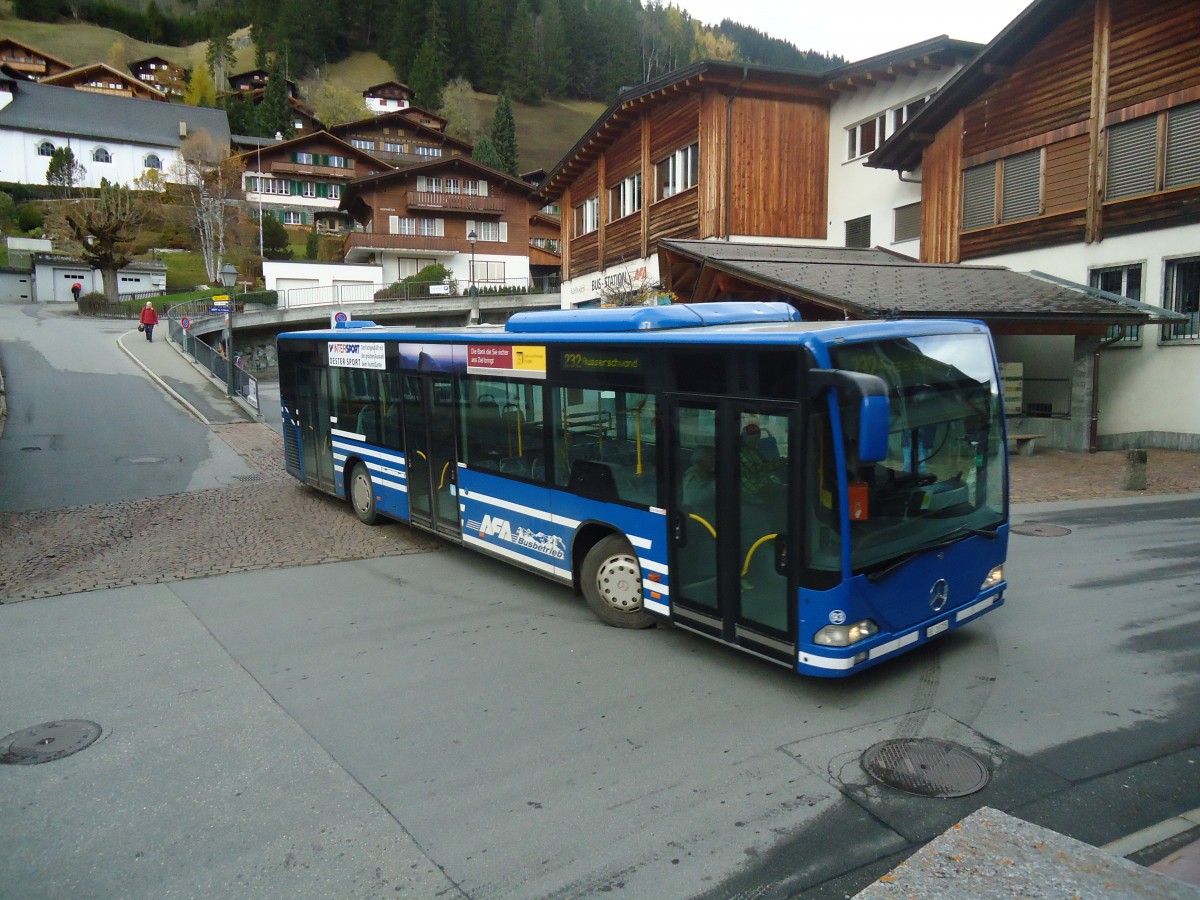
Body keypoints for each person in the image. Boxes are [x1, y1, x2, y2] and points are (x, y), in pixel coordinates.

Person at [739, 423, 786, 497]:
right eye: (754, 439)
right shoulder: (742, 452)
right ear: (744, 437)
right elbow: (759, 469)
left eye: (758, 438)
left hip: (761, 481)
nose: (757, 441)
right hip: (754, 486)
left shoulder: (753, 450)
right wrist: (779, 463)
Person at [683, 445, 717, 513]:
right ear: (702, 461)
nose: (714, 460)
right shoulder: (691, 476)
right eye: (711, 457)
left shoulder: (708, 473)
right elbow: (698, 499)